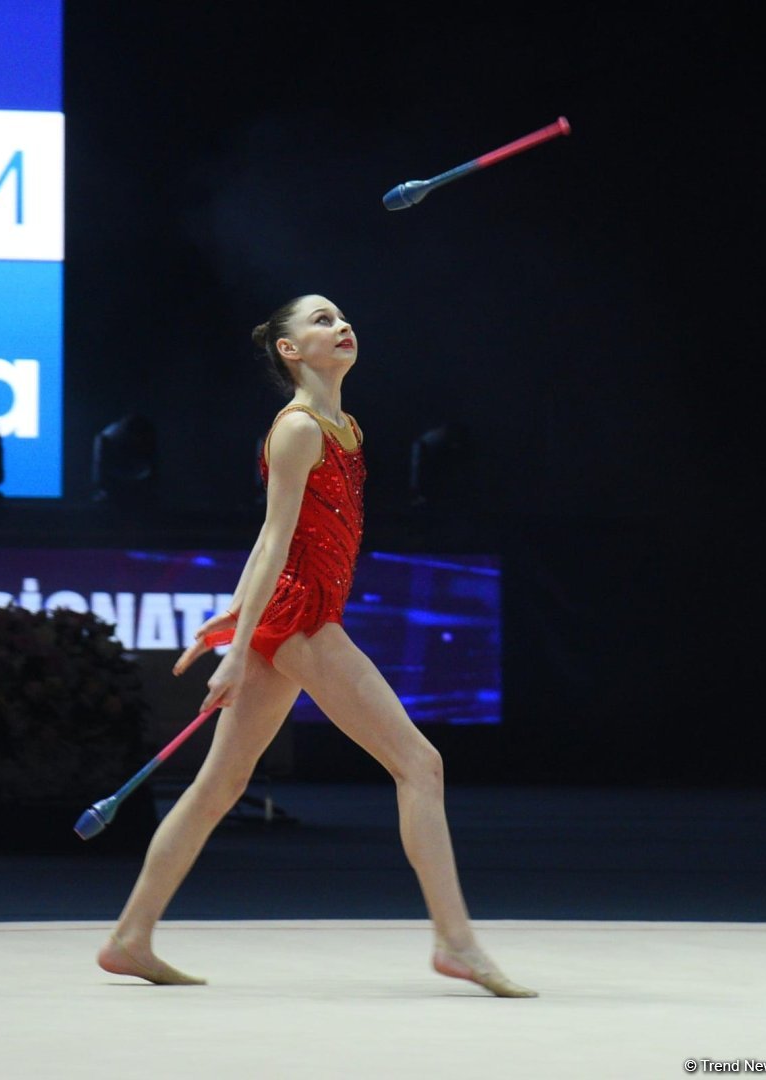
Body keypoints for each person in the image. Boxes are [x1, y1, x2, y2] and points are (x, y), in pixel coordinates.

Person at [97, 294, 537, 998]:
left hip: (297, 611)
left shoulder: (346, 427)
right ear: (289, 350)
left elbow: (274, 539)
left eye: (342, 317)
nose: (341, 325)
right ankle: (455, 943)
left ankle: (129, 937)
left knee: (219, 785)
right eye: (321, 321)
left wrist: (236, 611)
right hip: (302, 618)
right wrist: (240, 645)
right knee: (420, 765)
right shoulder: (299, 429)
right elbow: (275, 540)